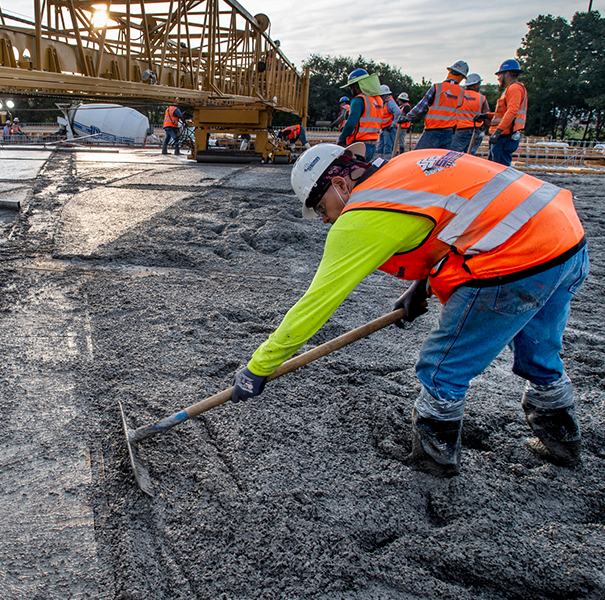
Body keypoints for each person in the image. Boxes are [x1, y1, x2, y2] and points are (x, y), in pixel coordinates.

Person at [231, 142, 588, 477]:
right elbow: (461, 221)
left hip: (515, 259)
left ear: (340, 183)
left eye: (322, 208)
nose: (325, 220)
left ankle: (435, 462)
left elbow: (316, 304)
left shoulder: (362, 215)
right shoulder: (405, 165)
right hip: (564, 239)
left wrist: (258, 367)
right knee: (538, 351)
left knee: (442, 367)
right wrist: (421, 287)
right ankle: (562, 441)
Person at [400, 61, 468, 150]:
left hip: (432, 131)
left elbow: (421, 106)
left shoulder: (438, 87)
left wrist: (408, 117)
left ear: (450, 72)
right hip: (449, 133)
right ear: (462, 77)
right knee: (440, 160)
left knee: (418, 157)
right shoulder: (462, 92)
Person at [483, 59, 527, 167]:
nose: (498, 78)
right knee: (494, 168)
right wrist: (487, 116)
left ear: (507, 74)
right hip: (503, 134)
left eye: (499, 74)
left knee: (499, 169)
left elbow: (512, 111)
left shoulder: (515, 88)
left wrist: (498, 131)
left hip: (505, 136)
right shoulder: (510, 89)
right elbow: (504, 114)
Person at [336, 69, 384, 161]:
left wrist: (342, 138)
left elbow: (350, 124)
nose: (351, 90)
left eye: (351, 87)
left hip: (359, 146)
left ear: (357, 86)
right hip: (372, 145)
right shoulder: (378, 100)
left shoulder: (359, 100)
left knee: (350, 173)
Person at [452, 73, 490, 156]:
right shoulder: (481, 98)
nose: (479, 87)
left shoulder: (458, 95)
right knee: (469, 157)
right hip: (475, 132)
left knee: (452, 156)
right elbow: (487, 116)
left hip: (460, 131)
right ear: (475, 85)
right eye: (479, 84)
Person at [376, 85, 402, 157]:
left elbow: (398, 112)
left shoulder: (390, 102)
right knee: (381, 147)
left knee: (387, 148)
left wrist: (393, 124)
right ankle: (380, 162)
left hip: (389, 128)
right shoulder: (384, 103)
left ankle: (386, 162)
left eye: (382, 95)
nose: (380, 97)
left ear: (386, 94)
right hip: (384, 128)